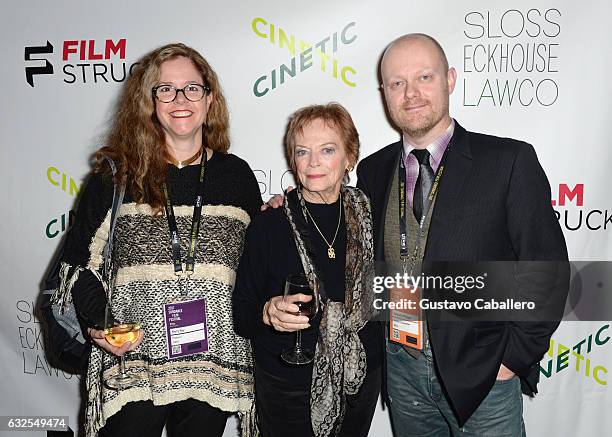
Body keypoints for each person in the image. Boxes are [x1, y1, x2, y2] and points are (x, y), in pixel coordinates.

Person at [356, 33, 569, 436]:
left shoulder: (508, 160)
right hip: (401, 368)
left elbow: (548, 269)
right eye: (397, 83)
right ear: (384, 93)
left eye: (424, 77)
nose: (411, 93)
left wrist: (512, 359)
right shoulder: (373, 170)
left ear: (450, 79)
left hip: (483, 373)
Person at [56, 43, 262, 437]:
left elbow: (256, 264)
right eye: (165, 89)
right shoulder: (116, 177)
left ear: (209, 99)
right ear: (149, 101)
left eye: (192, 88)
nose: (179, 100)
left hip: (212, 364)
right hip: (134, 364)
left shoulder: (237, 177)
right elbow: (78, 267)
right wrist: (102, 324)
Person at [233, 103, 382, 437]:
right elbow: (241, 313)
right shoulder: (269, 225)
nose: (313, 162)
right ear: (293, 160)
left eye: (327, 150)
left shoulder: (371, 215)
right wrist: (267, 312)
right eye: (303, 152)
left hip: (360, 376)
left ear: (349, 157)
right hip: (288, 386)